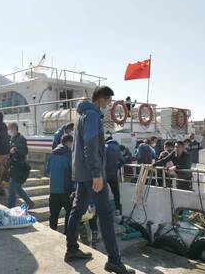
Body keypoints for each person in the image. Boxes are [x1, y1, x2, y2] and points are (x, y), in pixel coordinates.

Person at [65, 86, 134, 274]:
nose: (109, 105)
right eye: (109, 101)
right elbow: (90, 145)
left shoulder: (81, 114)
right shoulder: (93, 115)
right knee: (105, 213)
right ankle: (114, 261)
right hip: (92, 173)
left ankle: (71, 249)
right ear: (101, 100)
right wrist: (96, 173)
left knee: (77, 209)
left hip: (81, 172)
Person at [47, 134, 74, 233]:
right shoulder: (68, 154)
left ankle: (51, 234)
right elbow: (73, 171)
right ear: (69, 142)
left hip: (53, 189)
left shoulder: (52, 153)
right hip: (65, 190)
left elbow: (47, 170)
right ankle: (67, 234)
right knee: (69, 213)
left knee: (53, 215)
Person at [7, 122, 34, 209]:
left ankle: (11, 208)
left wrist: (15, 150)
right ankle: (29, 202)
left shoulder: (21, 139)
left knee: (12, 190)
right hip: (13, 166)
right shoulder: (13, 138)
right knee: (18, 188)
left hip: (18, 167)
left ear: (14, 129)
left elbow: (24, 152)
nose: (9, 131)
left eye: (10, 129)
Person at [105, 136, 124, 214]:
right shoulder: (117, 148)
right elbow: (122, 160)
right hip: (113, 174)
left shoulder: (105, 146)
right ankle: (118, 209)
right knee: (116, 192)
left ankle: (103, 210)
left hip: (104, 173)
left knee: (102, 192)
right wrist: (117, 167)